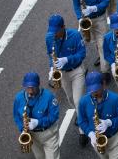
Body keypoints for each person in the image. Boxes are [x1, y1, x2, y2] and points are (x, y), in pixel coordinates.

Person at [45, 14, 88, 146]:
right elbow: (50, 55)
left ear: (63, 27)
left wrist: (67, 60)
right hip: (63, 74)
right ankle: (83, 114)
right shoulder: (49, 38)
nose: (54, 34)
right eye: (52, 31)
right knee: (70, 99)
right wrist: (52, 68)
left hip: (76, 71)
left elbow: (82, 54)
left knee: (78, 100)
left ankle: (83, 131)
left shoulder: (75, 35)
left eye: (56, 30)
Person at [77, 72, 118, 158]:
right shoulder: (84, 101)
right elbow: (81, 121)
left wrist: (109, 122)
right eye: (91, 90)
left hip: (114, 138)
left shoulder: (115, 98)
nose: (94, 92)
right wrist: (90, 134)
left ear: (103, 84)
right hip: (97, 140)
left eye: (96, 89)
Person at [71, 0, 110, 74]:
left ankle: (105, 71)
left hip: (99, 18)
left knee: (102, 44)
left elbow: (106, 1)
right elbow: (76, 5)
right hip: (86, 20)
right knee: (86, 44)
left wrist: (93, 8)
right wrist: (79, 18)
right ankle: (84, 68)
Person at [12, 72, 60, 159]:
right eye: (28, 87)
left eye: (33, 87)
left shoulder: (49, 97)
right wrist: (23, 128)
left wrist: (38, 122)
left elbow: (54, 117)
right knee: (39, 157)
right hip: (32, 135)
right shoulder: (19, 98)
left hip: (48, 134)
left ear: (38, 85)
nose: (30, 90)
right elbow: (16, 116)